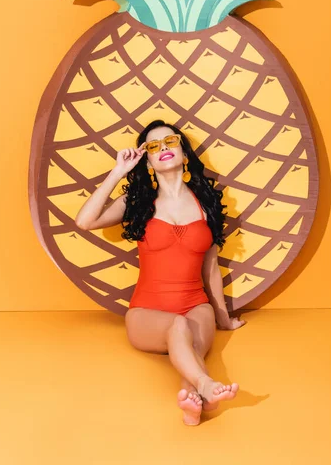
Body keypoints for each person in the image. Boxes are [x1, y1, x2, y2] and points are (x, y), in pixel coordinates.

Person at [75, 119, 246, 426]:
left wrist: (222, 318)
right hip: (146, 314)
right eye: (153, 146)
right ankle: (205, 387)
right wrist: (118, 172)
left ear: (183, 151)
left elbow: (211, 270)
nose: (163, 149)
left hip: (197, 306)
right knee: (179, 328)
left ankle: (192, 405)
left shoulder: (205, 203)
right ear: (148, 159)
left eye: (170, 142)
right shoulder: (136, 202)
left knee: (190, 341)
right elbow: (84, 221)